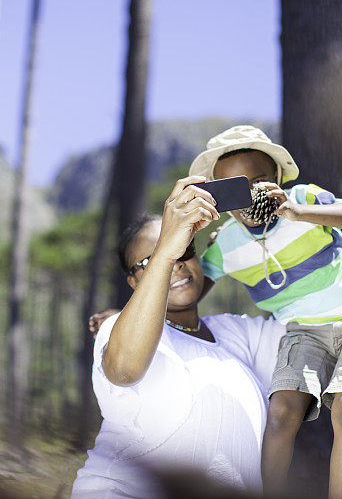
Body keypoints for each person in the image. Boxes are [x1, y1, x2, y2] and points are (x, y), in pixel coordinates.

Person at [189, 125, 342, 499]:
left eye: (258, 182)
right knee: (282, 412)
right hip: (303, 331)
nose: (249, 196)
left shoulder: (304, 200)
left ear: (276, 182)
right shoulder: (226, 247)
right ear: (220, 198)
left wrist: (301, 212)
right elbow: (185, 290)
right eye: (233, 189)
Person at [70, 177, 285, 499]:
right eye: (151, 261)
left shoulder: (239, 333)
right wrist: (167, 249)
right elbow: (125, 369)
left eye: (185, 250)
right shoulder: (117, 327)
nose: (177, 265)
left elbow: (321, 326)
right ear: (133, 280)